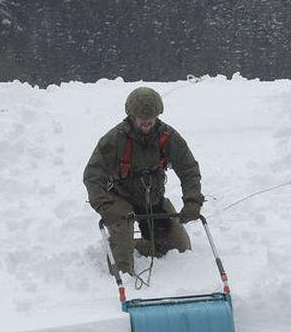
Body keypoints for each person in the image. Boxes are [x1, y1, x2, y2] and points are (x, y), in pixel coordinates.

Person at [83, 87, 204, 276]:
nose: (147, 122)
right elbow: (93, 175)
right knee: (122, 261)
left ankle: (139, 245)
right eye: (142, 118)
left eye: (151, 118)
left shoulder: (168, 137)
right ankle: (121, 265)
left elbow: (188, 169)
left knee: (179, 249)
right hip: (121, 200)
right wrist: (105, 206)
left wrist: (192, 201)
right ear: (132, 116)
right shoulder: (114, 140)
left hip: (153, 200)